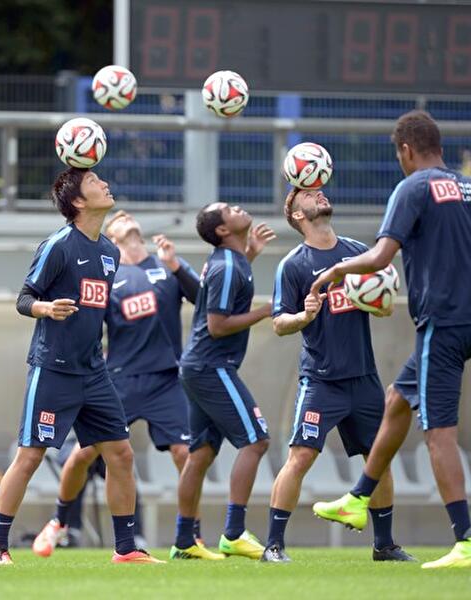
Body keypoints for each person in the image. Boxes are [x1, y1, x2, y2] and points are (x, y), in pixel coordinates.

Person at [310, 110, 471, 569]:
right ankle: (359, 497)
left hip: (443, 321)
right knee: (397, 399)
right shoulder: (466, 187)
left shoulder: (413, 187)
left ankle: (465, 541)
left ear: (405, 149)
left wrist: (338, 270)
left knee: (439, 432)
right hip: (465, 316)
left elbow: (381, 255)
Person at [0, 168, 162, 565]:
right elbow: (24, 298)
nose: (105, 184)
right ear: (79, 201)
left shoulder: (111, 253)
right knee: (30, 456)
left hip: (94, 372)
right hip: (53, 369)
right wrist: (45, 307)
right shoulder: (59, 245)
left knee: (121, 454)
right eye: (95, 182)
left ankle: (126, 548)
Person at [30, 210, 229, 559]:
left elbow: (206, 303)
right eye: (117, 217)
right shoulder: (107, 273)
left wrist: (177, 266)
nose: (124, 216)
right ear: (111, 235)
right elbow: (88, 323)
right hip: (119, 379)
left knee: (187, 453)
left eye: (127, 215)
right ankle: (59, 522)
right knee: (83, 455)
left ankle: (189, 538)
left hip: (166, 378)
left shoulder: (165, 264)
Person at [261, 187, 413, 563]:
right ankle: (274, 546)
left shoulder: (357, 251)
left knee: (377, 459)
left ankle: (384, 545)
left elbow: (384, 308)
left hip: (363, 378)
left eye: (321, 191)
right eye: (310, 195)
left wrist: (378, 304)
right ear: (298, 215)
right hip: (321, 381)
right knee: (300, 457)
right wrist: (305, 315)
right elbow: (279, 323)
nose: (321, 195)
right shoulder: (293, 265)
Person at [172, 202, 273, 561]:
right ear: (222, 231)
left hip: (198, 366)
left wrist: (251, 254)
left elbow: (230, 280)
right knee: (257, 441)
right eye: (229, 209)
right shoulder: (228, 265)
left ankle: (184, 541)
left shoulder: (233, 260)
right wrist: (266, 310)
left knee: (199, 455)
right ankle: (233, 532)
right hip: (211, 366)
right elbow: (217, 326)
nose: (239, 207)